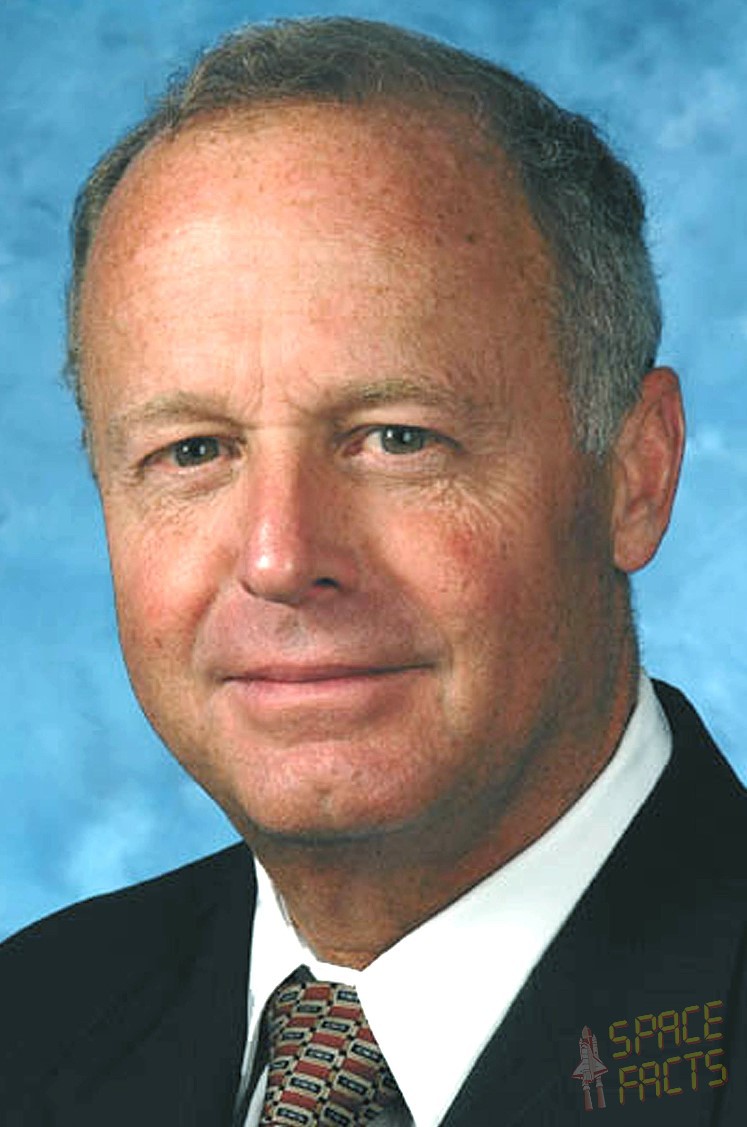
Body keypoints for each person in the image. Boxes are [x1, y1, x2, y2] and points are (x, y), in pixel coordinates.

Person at [1, 16, 745, 1126]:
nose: (279, 558)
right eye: (192, 451)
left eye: (398, 437)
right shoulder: (31, 1019)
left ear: (635, 474)